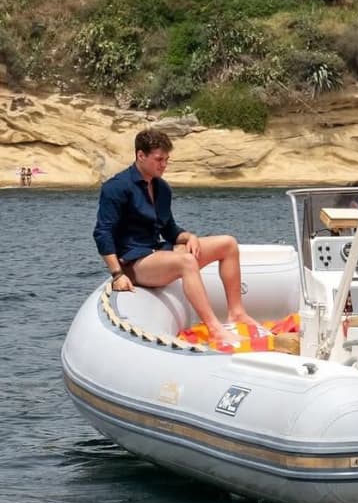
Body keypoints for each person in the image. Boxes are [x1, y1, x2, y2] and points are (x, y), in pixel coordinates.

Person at [93, 128, 262, 347]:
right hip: (133, 262)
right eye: (159, 159)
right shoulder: (116, 187)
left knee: (227, 244)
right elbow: (102, 232)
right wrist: (117, 275)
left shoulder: (162, 188)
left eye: (166, 160)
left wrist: (188, 237)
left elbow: (169, 229)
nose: (164, 165)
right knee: (186, 261)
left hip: (158, 252)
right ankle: (215, 329)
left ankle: (237, 313)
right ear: (140, 155)